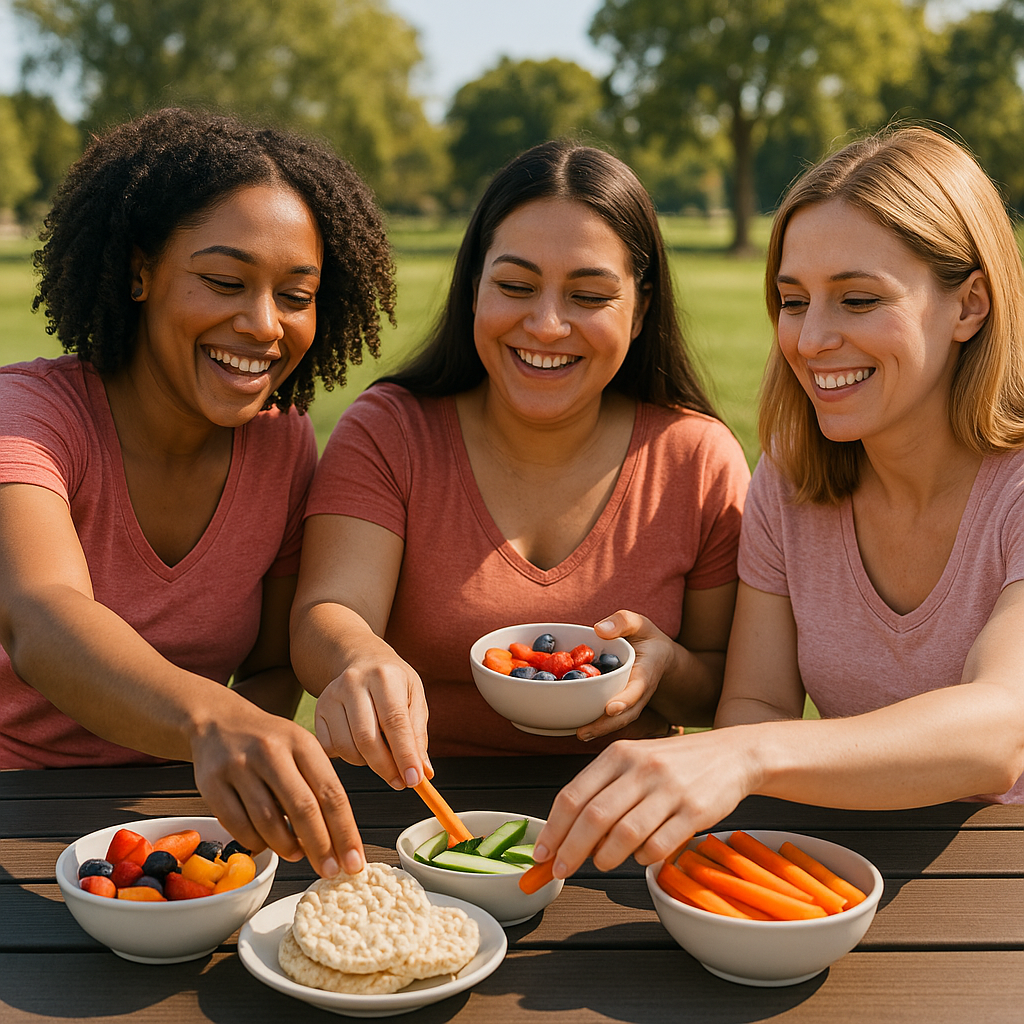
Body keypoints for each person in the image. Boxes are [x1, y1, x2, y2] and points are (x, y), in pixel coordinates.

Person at [531, 126, 1024, 883]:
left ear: (971, 307)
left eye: (858, 299)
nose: (812, 339)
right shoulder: (791, 482)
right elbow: (757, 702)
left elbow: (998, 730)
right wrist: (742, 749)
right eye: (793, 301)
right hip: (847, 870)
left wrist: (745, 756)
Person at [0, 107, 396, 877]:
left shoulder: (282, 443)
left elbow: (277, 669)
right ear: (140, 272)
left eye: (295, 294)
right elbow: (39, 616)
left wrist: (232, 761)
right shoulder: (31, 417)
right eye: (224, 281)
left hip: (173, 826)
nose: (262, 324)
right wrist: (212, 721)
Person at [291, 140, 750, 792]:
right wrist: (359, 657)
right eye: (515, 286)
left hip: (618, 821)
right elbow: (326, 613)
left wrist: (666, 667)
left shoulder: (697, 459)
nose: (546, 325)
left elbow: (723, 686)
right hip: (407, 810)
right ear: (474, 286)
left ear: (641, 309)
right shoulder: (391, 430)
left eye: (589, 295)